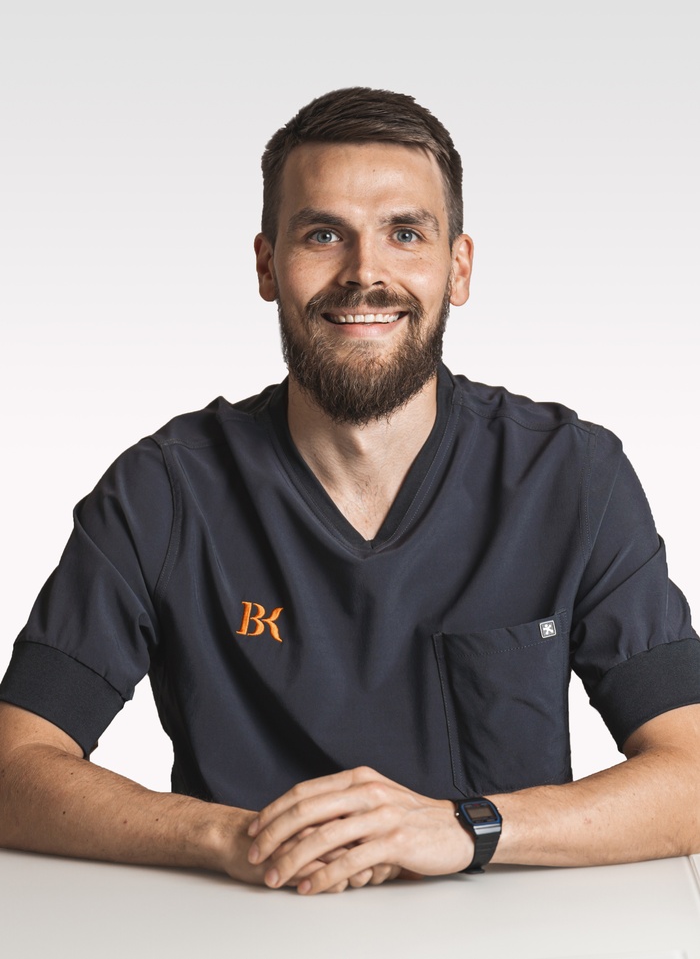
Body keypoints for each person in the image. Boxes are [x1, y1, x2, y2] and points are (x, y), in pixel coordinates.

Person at [1, 87, 699, 896]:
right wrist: (229, 835)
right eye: (323, 234)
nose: (365, 273)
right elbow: (15, 764)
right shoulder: (163, 492)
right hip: (238, 931)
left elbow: (689, 771)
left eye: (405, 234)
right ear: (267, 265)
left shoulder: (571, 477)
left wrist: (464, 827)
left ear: (458, 267)